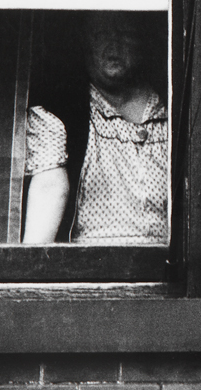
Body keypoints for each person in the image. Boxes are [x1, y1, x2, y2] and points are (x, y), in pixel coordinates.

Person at [21, 13, 168, 244]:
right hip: (91, 263)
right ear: (84, 41)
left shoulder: (172, 111)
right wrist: (29, 263)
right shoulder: (61, 112)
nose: (114, 44)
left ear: (142, 41)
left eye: (125, 34)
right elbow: (49, 188)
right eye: (101, 34)